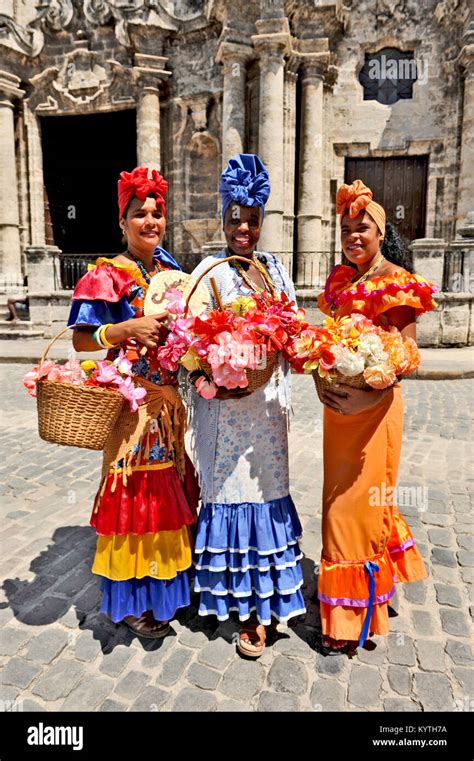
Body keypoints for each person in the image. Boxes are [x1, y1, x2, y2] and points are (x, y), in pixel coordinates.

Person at [67, 166, 199, 638]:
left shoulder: (172, 276)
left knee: (167, 493)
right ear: (121, 223)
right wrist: (123, 330)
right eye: (139, 214)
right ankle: (130, 601)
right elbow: (82, 340)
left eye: (157, 213)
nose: (150, 221)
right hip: (128, 408)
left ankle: (165, 590)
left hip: (166, 408)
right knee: (133, 496)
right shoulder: (108, 273)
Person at [188, 153, 306, 658]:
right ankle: (243, 609)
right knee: (232, 495)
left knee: (267, 494)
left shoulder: (276, 269)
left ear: (262, 220)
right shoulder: (209, 271)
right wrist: (208, 378)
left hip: (267, 410)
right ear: (223, 218)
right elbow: (187, 343)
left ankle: (268, 606)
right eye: (235, 217)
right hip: (227, 411)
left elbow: (294, 327)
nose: (243, 227)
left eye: (252, 218)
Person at [316, 179, 438, 654]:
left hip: (375, 414)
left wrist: (370, 394)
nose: (352, 236)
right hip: (338, 416)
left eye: (361, 227)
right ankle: (364, 591)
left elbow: (408, 353)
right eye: (346, 229)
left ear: (380, 232)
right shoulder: (342, 282)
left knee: (351, 511)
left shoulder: (395, 283)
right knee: (344, 506)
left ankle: (348, 620)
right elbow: (325, 344)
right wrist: (320, 379)